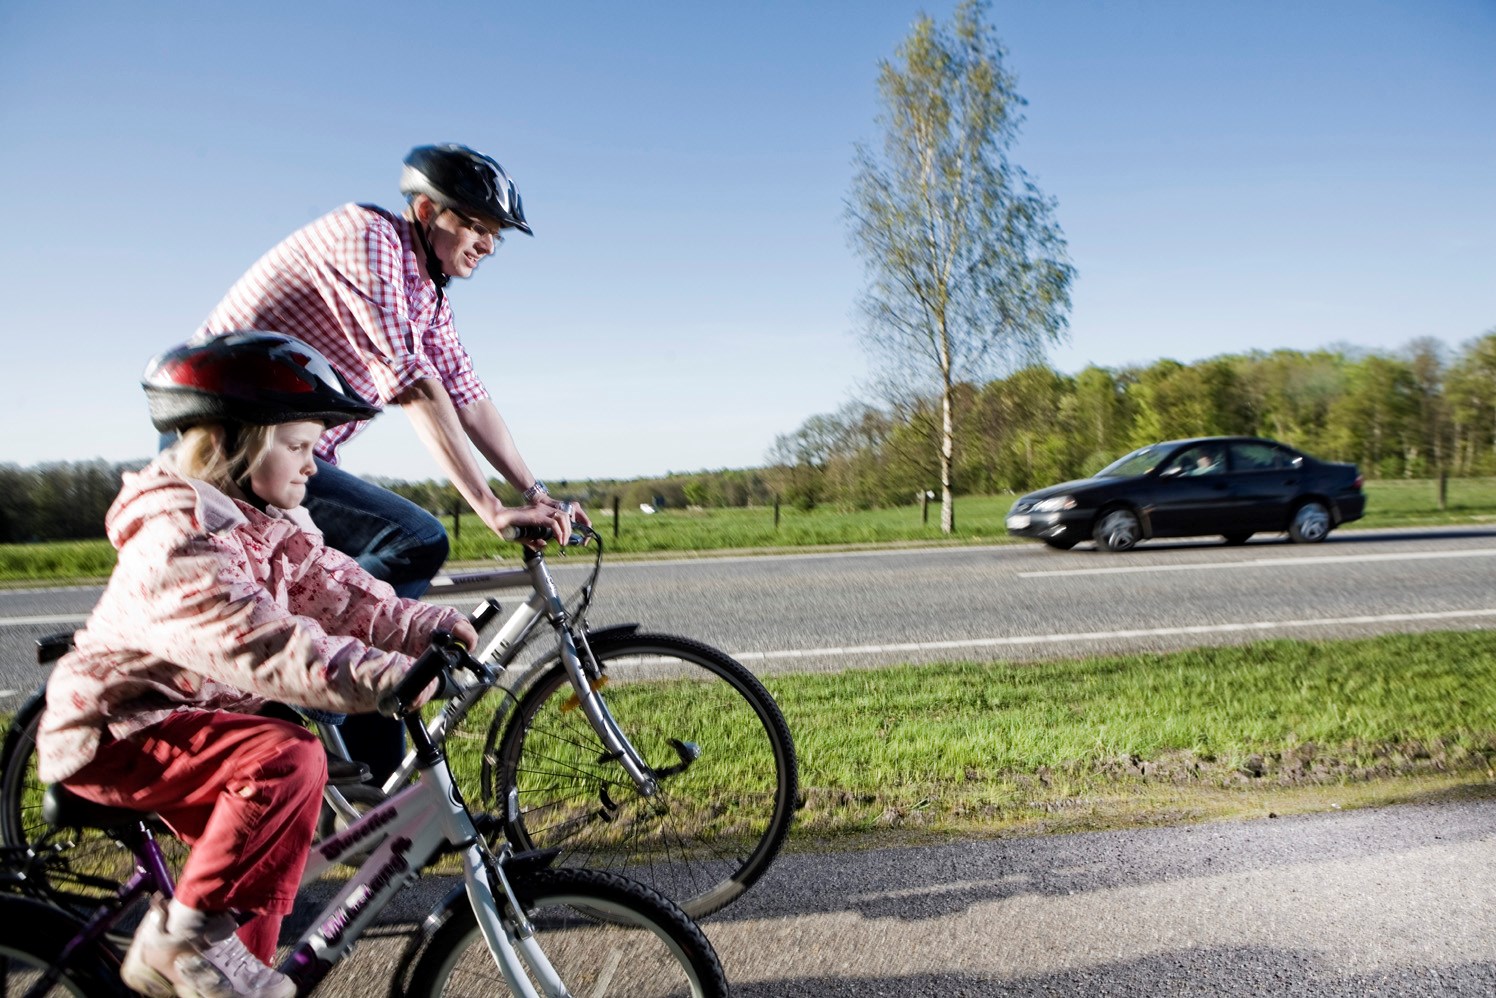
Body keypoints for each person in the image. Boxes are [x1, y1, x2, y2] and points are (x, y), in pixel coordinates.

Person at [36, 332, 479, 998]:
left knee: (271, 859)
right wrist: (383, 678)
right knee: (288, 758)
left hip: (188, 723)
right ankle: (178, 944)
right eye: (299, 447)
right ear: (229, 445)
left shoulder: (265, 524)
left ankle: (219, 970)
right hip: (117, 729)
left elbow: (340, 593)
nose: (313, 465)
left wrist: (423, 628)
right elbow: (264, 643)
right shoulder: (180, 539)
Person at [195, 143, 585, 780]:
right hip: (227, 446)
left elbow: (466, 395)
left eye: (497, 237)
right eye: (477, 226)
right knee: (414, 538)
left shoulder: (427, 292)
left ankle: (372, 791)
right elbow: (412, 383)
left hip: (291, 458)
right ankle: (294, 691)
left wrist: (535, 490)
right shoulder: (368, 238)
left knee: (360, 587)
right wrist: (488, 506)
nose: (488, 245)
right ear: (428, 211)